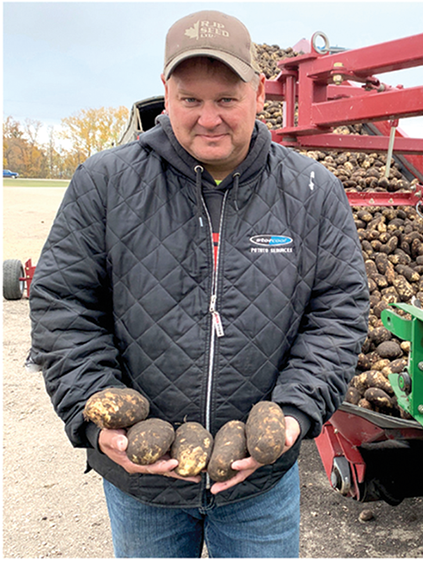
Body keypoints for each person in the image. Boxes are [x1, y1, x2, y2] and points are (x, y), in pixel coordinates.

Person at [28, 10, 368, 557]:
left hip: (260, 484)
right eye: (191, 99)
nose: (209, 118)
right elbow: (62, 305)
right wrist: (95, 417)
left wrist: (295, 414)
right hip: (144, 487)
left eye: (227, 99)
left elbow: (339, 311)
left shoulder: (313, 191)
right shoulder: (106, 182)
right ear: (166, 94)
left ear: (259, 95)